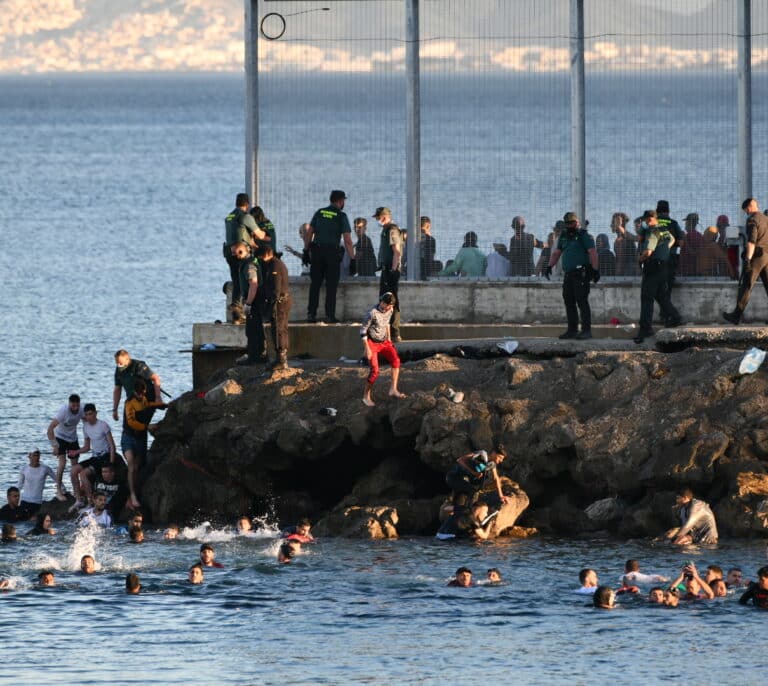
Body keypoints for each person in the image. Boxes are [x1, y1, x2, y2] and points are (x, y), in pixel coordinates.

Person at [546, 212, 599, 340]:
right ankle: (572, 330)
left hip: (581, 274)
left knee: (582, 301)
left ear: (577, 223)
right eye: (568, 223)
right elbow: (557, 253)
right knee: (568, 300)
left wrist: (595, 270)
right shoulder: (564, 236)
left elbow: (592, 252)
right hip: (568, 274)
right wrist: (549, 266)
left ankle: (586, 331)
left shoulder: (584, 236)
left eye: (572, 222)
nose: (570, 225)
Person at [304, 190, 355, 323]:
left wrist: (305, 250)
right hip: (332, 253)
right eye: (343, 200)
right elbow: (348, 240)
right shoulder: (341, 215)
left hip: (317, 252)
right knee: (331, 286)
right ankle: (329, 315)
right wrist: (352, 258)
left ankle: (311, 314)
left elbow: (309, 232)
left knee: (315, 284)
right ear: (340, 201)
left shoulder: (319, 212)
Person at [633, 209, 682, 344]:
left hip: (653, 266)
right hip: (663, 267)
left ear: (649, 219)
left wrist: (640, 259)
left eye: (645, 220)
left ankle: (645, 329)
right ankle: (675, 317)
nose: (644, 223)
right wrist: (664, 251)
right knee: (660, 296)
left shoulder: (653, 231)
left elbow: (648, 252)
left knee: (646, 297)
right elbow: (671, 240)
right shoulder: (664, 229)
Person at [122, 379, 167, 509]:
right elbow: (131, 422)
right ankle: (132, 495)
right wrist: (147, 427)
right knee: (131, 465)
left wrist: (161, 405)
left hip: (141, 438)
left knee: (137, 467)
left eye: (143, 393)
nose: (141, 395)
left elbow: (147, 405)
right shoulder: (129, 403)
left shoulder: (144, 399)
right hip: (128, 437)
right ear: (135, 392)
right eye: (139, 394)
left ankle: (132, 493)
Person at [723, 197, 768, 324]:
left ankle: (736, 316)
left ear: (749, 208)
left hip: (757, 256)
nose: (746, 213)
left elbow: (751, 242)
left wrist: (748, 259)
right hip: (767, 256)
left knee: (746, 285)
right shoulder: (766, 219)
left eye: (746, 210)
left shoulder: (752, 220)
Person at [247, 243, 292, 370]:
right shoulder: (272, 264)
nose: (260, 260)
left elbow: (276, 288)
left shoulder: (275, 265)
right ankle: (280, 358)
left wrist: (270, 303)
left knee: (279, 329)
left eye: (261, 257)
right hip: (278, 302)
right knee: (278, 328)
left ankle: (282, 360)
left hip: (279, 303)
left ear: (267, 254)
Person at [360, 292, 406, 407]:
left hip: (384, 341)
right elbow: (362, 331)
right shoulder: (372, 313)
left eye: (392, 306)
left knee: (396, 361)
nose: (390, 308)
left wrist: (389, 339)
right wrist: (367, 349)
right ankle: (366, 396)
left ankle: (393, 389)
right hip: (372, 343)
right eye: (389, 305)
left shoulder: (390, 310)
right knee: (375, 371)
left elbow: (387, 324)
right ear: (382, 303)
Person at [69, 404, 116, 511]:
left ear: (95, 413)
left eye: (90, 414)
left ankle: (90, 502)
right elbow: (87, 447)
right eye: (86, 415)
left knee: (83, 474)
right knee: (73, 470)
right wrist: (76, 451)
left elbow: (112, 446)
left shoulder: (103, 425)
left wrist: (111, 463)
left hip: (104, 456)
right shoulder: (85, 427)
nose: (88, 417)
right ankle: (79, 500)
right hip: (94, 457)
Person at [224, 193, 262, 324]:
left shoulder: (229, 216)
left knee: (236, 280)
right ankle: (241, 311)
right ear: (247, 204)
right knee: (243, 281)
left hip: (229, 253)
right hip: (241, 253)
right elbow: (260, 235)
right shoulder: (246, 216)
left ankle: (235, 311)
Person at [46, 393, 84, 501]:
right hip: (60, 437)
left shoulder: (82, 409)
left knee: (75, 466)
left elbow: (87, 420)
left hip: (73, 438)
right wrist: (54, 446)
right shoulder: (63, 411)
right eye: (73, 406)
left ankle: (76, 492)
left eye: (77, 406)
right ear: (69, 404)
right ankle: (58, 491)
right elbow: (49, 430)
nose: (75, 408)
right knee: (62, 464)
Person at [374, 208, 404, 340]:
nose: (378, 220)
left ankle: (394, 331)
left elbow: (396, 252)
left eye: (379, 217)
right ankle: (384, 331)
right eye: (377, 217)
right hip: (386, 269)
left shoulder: (392, 230)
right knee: (384, 300)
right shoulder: (385, 230)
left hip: (391, 270)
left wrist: (392, 269)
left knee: (392, 300)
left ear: (386, 217)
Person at [112, 349, 162, 423]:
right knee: (128, 426)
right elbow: (117, 390)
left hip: (147, 399)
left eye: (121, 363)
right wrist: (115, 409)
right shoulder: (118, 370)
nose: (119, 365)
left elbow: (156, 378)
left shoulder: (139, 366)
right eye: (117, 363)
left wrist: (158, 398)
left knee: (139, 425)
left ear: (127, 359)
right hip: (131, 401)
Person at [656, 200, 684, 292]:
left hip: (653, 260)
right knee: (667, 291)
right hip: (669, 260)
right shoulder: (673, 223)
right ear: (668, 211)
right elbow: (681, 243)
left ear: (657, 211)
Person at [18, 451, 55, 515]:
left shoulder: (45, 468)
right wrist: (14, 501)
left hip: (37, 502)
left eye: (38, 456)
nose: (36, 458)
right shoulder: (24, 469)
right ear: (29, 457)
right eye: (34, 455)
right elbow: (19, 486)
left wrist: (63, 490)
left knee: (33, 522)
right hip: (24, 501)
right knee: (22, 522)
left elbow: (57, 479)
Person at [611, 212, 638, 276]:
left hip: (626, 275)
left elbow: (621, 261)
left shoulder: (621, 240)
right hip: (632, 273)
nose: (611, 225)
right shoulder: (626, 238)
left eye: (613, 222)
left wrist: (616, 277)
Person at [679, 212, 704, 276]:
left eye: (686, 222)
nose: (685, 224)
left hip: (687, 271)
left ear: (689, 223)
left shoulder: (687, 236)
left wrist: (684, 239)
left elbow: (693, 253)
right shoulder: (700, 236)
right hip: (696, 270)